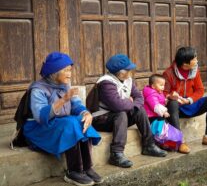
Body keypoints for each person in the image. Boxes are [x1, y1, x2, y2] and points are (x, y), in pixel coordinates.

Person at [23, 52, 102, 186]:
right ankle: (73, 171)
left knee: (81, 120)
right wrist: (64, 99)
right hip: (38, 129)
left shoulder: (64, 86)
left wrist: (86, 113)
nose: (70, 74)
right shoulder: (38, 89)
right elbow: (41, 116)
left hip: (59, 124)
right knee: (71, 123)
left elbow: (76, 104)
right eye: (66, 70)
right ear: (54, 71)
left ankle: (87, 167)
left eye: (70, 70)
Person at [92, 54, 167, 168]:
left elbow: (139, 97)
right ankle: (116, 154)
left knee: (140, 110)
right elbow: (117, 105)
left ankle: (149, 145)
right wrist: (130, 102)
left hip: (118, 115)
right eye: (129, 69)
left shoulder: (128, 80)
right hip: (101, 119)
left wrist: (131, 103)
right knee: (121, 114)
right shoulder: (106, 83)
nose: (131, 72)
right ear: (121, 73)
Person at [163, 46, 207, 151]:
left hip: (191, 104)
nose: (197, 60)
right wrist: (170, 96)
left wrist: (189, 100)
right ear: (185, 64)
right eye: (194, 59)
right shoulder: (168, 74)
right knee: (172, 104)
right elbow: (163, 94)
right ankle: (179, 141)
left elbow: (200, 90)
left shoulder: (194, 71)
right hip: (177, 108)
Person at [142, 74, 189, 153]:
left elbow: (162, 100)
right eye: (161, 85)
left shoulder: (158, 92)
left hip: (157, 115)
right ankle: (162, 143)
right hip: (151, 117)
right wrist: (164, 112)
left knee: (164, 127)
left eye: (163, 85)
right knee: (163, 127)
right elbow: (155, 105)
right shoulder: (151, 94)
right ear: (153, 86)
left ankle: (167, 143)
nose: (163, 87)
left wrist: (169, 98)